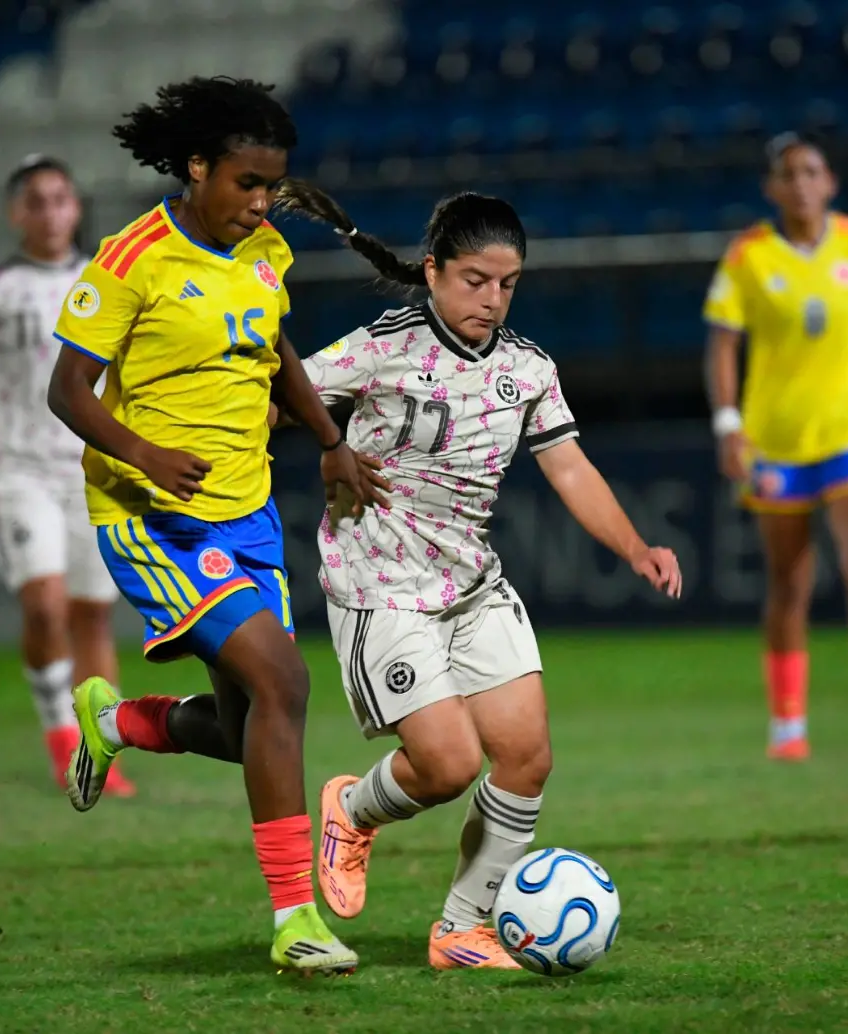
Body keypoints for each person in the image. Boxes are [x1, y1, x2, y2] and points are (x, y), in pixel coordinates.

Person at [276, 187, 682, 968]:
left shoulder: (527, 369)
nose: (491, 300)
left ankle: (463, 928)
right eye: (474, 280)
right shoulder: (383, 346)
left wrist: (635, 547)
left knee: (527, 755)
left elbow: (568, 466)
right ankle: (353, 811)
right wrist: (320, 441)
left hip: (472, 586)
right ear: (432, 272)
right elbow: (281, 399)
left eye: (507, 284)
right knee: (449, 765)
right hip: (380, 585)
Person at [46, 76, 386, 974]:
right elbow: (67, 391)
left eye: (271, 185)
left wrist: (328, 438)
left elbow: (275, 353)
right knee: (284, 685)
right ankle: (295, 921)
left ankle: (116, 721)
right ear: (196, 168)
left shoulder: (267, 249)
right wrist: (144, 456)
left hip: (249, 515)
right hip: (153, 519)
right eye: (244, 182)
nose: (260, 201)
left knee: (247, 735)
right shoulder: (132, 260)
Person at [702, 132, 848, 761]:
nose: (801, 184)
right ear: (771, 189)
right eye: (789, 175)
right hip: (776, 439)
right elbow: (723, 342)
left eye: (812, 172)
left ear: (830, 182)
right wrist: (729, 425)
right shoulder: (749, 255)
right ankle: (788, 729)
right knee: (789, 582)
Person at [0, 155, 134, 797]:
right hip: (19, 470)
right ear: (15, 212)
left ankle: (100, 749)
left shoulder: (104, 282)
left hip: (90, 469)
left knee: (91, 614)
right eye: (37, 201)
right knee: (46, 604)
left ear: (76, 208)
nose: (50, 211)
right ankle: (62, 736)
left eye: (61, 199)